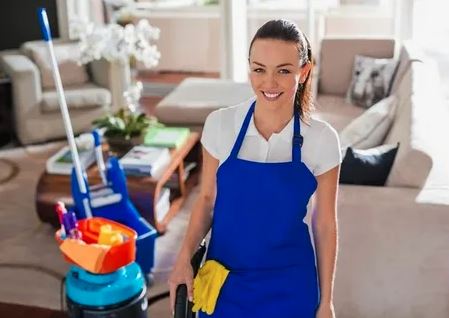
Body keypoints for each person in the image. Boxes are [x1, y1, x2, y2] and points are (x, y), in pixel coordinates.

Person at [168, 19, 341, 318]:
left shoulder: (322, 139)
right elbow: (207, 200)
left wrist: (326, 302)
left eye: (283, 71)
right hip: (223, 283)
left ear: (304, 71)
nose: (269, 83)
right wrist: (183, 258)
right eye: (259, 69)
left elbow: (325, 225)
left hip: (291, 287)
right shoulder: (221, 125)